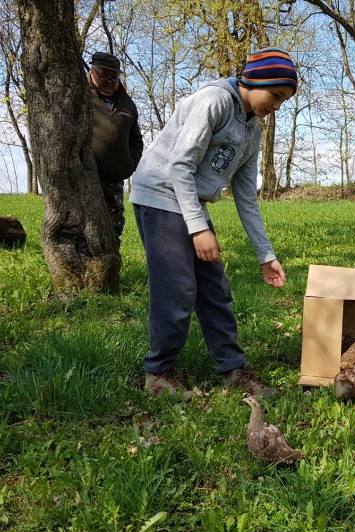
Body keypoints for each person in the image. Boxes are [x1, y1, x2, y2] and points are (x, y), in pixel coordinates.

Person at [129, 48, 298, 399]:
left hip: (189, 202)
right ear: (256, 81)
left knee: (215, 291)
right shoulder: (215, 101)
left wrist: (265, 255)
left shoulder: (252, 133)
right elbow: (179, 165)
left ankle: (233, 370)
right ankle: (158, 375)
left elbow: (247, 198)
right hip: (160, 195)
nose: (278, 105)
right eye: (276, 95)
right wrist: (199, 228)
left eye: (284, 100)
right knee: (177, 289)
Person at [88, 51, 143, 241]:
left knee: (113, 229)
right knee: (85, 229)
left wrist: (129, 164)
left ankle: (110, 270)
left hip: (115, 181)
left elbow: (136, 140)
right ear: (91, 73)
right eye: (104, 75)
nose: (109, 81)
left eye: (114, 76)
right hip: (86, 177)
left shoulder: (127, 104)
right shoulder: (80, 98)